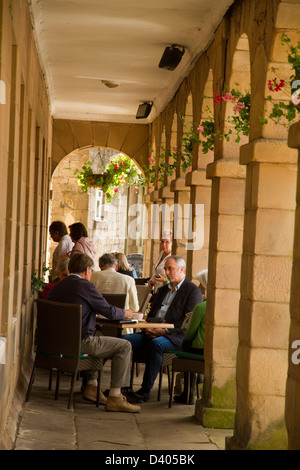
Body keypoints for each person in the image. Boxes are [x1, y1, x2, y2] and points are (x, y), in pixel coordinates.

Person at [47, 253, 141, 413]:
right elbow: (108, 310)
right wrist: (125, 313)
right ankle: (116, 397)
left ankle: (92, 386)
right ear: (87, 270)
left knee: (99, 337)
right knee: (124, 346)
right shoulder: (85, 286)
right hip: (80, 343)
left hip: (56, 345)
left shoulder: (56, 288)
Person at [123, 255, 202, 402]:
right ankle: (122, 387)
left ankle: (145, 391)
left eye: (170, 269)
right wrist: (148, 327)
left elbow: (187, 322)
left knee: (157, 344)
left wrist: (164, 331)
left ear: (181, 269)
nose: (166, 272)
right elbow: (151, 313)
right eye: (165, 269)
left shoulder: (192, 291)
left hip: (175, 336)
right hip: (151, 331)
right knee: (124, 341)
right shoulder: (164, 289)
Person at [174, 269, 208, 405]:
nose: (199, 287)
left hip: (199, 348)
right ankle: (197, 380)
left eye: (201, 284)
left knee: (185, 345)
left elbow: (190, 333)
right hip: (212, 349)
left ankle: (188, 393)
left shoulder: (201, 307)